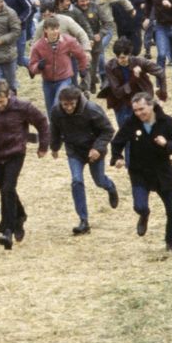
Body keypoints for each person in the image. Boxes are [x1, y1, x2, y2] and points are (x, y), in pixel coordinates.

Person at [0, 80, 49, 249]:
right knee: (4, 188)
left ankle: (8, 230)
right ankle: (20, 216)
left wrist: (43, 146)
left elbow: (42, 122)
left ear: (9, 96)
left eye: (2, 101)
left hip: (15, 152)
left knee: (8, 189)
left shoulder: (22, 107)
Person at [110, 92, 172, 252]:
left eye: (142, 109)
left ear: (151, 105)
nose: (138, 113)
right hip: (139, 172)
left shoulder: (167, 122)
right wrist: (117, 157)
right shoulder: (131, 123)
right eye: (135, 110)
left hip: (162, 172)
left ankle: (170, 243)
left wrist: (166, 144)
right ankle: (144, 215)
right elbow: (117, 142)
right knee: (139, 206)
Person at [49, 86, 119, 235]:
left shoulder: (92, 109)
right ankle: (83, 220)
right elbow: (55, 130)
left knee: (99, 180)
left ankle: (110, 187)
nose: (68, 108)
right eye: (65, 104)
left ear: (77, 100)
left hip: (94, 150)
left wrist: (97, 148)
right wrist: (54, 147)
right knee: (76, 181)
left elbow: (108, 130)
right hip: (74, 151)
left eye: (72, 104)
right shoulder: (56, 112)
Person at [100, 37, 167, 127]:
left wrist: (162, 97)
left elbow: (160, 73)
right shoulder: (110, 66)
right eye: (118, 57)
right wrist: (134, 78)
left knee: (147, 130)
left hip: (140, 100)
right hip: (121, 104)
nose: (120, 60)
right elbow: (118, 92)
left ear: (130, 54)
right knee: (125, 133)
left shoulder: (139, 62)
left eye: (123, 57)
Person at [28, 17, 90, 110]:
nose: (55, 31)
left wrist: (83, 69)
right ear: (45, 30)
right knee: (50, 110)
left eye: (57, 28)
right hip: (47, 82)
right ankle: (55, 124)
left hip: (64, 79)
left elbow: (81, 55)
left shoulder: (68, 41)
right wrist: (38, 66)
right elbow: (32, 65)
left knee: (56, 105)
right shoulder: (38, 46)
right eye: (52, 29)